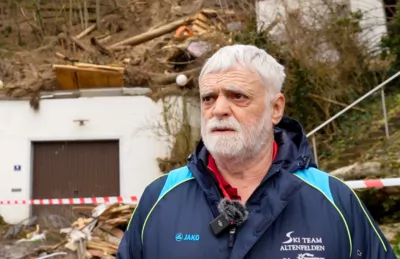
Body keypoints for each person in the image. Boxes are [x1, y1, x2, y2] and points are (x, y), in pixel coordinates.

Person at [116, 44, 396, 259]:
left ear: (275, 108)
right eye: (209, 98)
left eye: (238, 96)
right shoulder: (159, 199)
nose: (219, 109)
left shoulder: (335, 201)